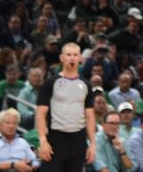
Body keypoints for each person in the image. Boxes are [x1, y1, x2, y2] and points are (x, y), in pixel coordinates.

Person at [37, 42, 98, 171]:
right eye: (68, 54)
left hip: (78, 140)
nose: (72, 58)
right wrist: (43, 140)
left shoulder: (86, 85)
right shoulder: (50, 83)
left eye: (75, 55)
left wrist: (92, 144)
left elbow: (90, 116)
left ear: (80, 58)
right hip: (56, 138)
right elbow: (40, 114)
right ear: (61, 58)